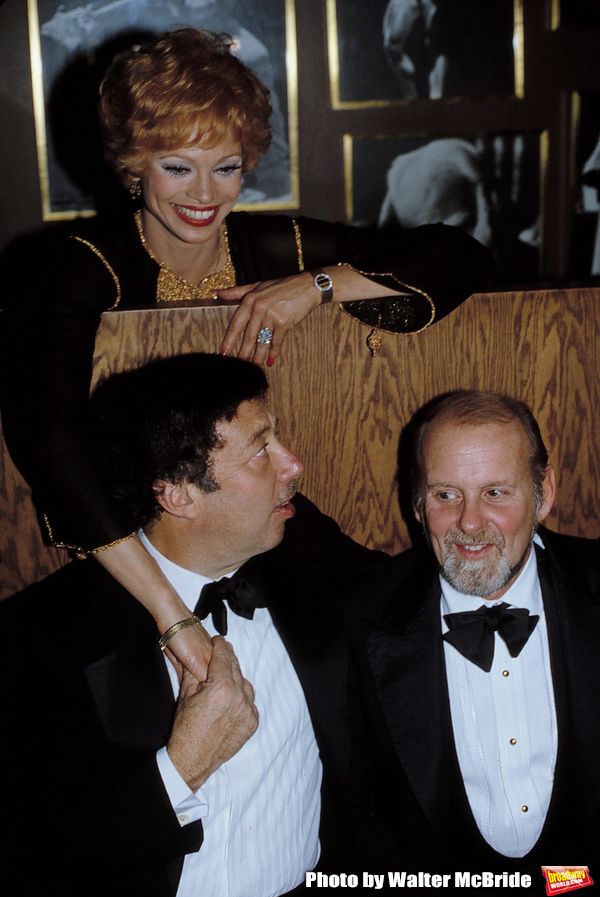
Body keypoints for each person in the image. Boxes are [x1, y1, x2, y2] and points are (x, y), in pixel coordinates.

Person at [0, 27, 491, 682]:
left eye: (226, 167)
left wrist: (316, 286)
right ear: (133, 164)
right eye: (178, 166)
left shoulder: (269, 245)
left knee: (394, 609)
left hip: (264, 520)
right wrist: (171, 615)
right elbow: (48, 439)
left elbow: (461, 255)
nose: (205, 194)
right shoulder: (85, 267)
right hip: (133, 541)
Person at [0, 352, 381, 897]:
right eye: (260, 452)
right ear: (177, 494)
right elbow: (32, 851)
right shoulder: (42, 639)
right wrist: (179, 770)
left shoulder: (308, 555)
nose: (293, 464)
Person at [346, 390, 600, 885]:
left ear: (544, 492)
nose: (468, 522)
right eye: (446, 494)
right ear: (418, 503)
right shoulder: (358, 619)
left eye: (495, 493)